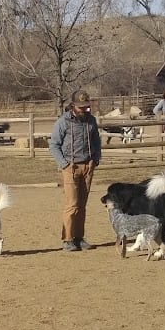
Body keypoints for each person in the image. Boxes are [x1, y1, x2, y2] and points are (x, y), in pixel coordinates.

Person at [48, 89, 102, 251]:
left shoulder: (91, 121)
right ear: (72, 106)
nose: (84, 110)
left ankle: (79, 237)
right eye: (81, 107)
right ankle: (68, 239)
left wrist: (96, 159)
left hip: (88, 165)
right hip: (70, 167)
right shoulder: (62, 122)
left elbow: (96, 141)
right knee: (72, 204)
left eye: (86, 106)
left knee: (82, 204)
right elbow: (54, 145)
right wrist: (63, 163)